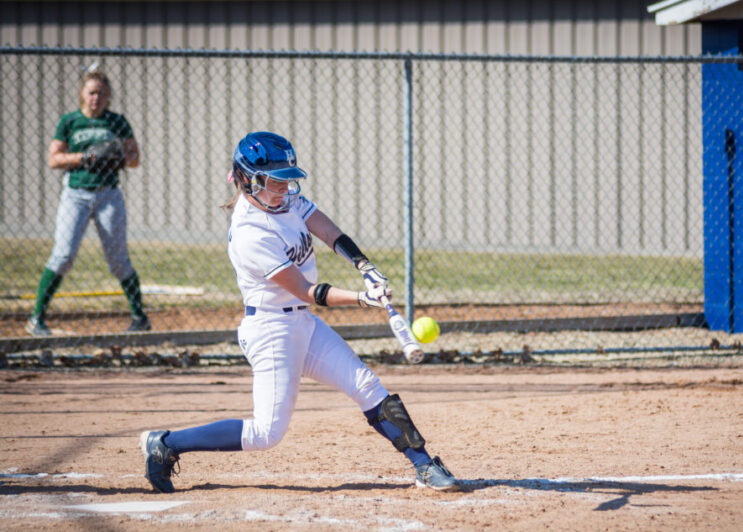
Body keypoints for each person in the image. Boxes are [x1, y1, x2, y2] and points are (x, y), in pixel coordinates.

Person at [139, 131, 457, 493]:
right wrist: (362, 299)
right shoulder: (249, 233)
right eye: (274, 181)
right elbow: (308, 291)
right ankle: (165, 444)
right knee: (266, 433)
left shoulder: (284, 201)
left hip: (302, 323)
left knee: (366, 385)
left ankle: (425, 465)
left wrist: (363, 265)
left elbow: (326, 229)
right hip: (272, 330)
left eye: (286, 179)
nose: (283, 188)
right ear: (247, 180)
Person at [26, 66, 150, 336]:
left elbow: (135, 158)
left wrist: (117, 157)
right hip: (76, 195)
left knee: (118, 259)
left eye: (102, 94)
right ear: (82, 94)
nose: (97, 98)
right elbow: (54, 159)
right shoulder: (70, 121)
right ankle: (37, 318)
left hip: (109, 194)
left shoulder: (117, 122)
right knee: (63, 255)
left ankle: (140, 317)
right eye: (92, 92)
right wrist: (85, 158)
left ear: (109, 97)